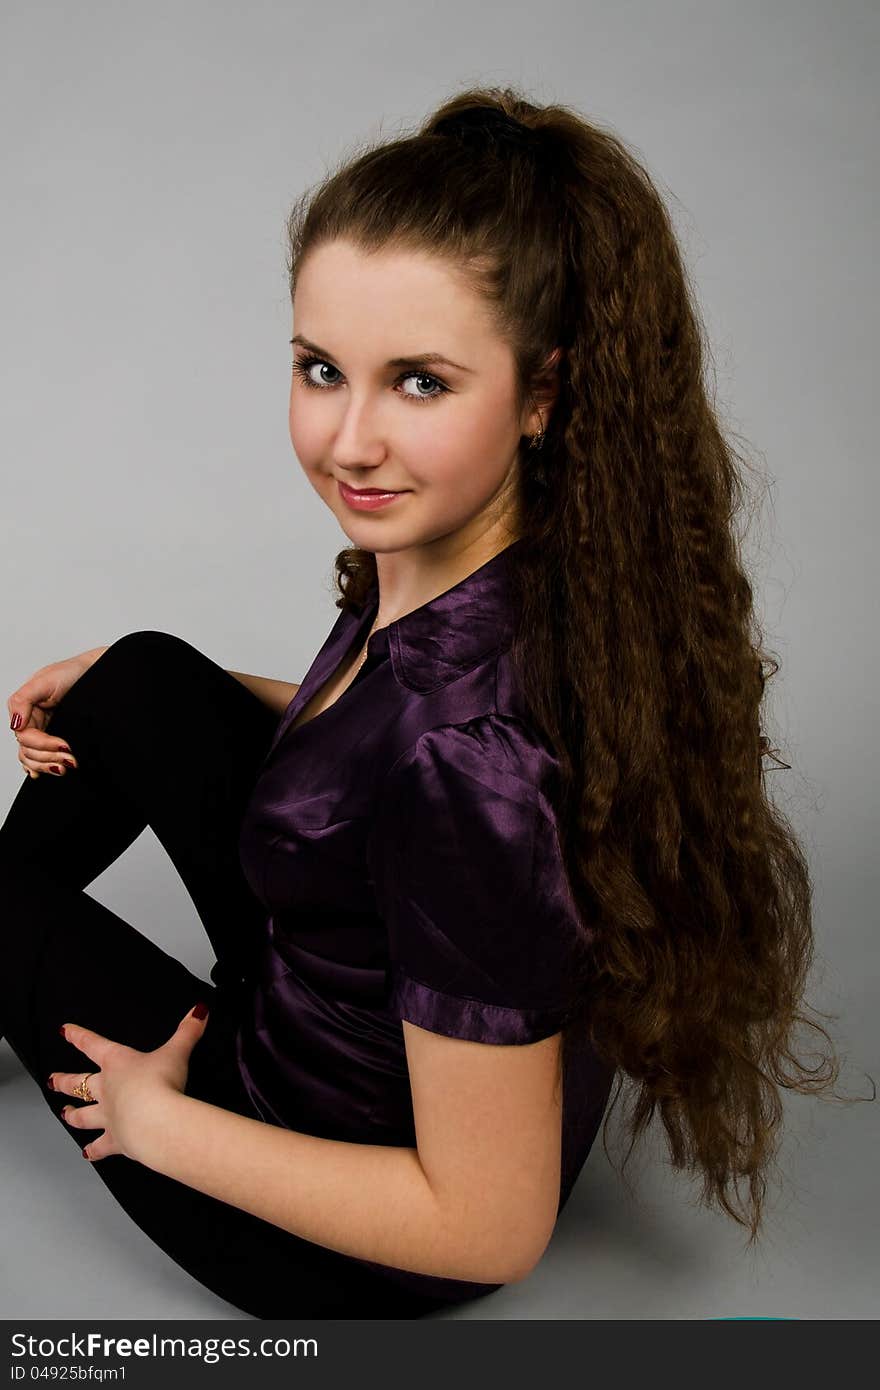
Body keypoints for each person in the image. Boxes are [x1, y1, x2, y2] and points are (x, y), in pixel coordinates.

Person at [1, 84, 849, 1321]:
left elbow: (487, 1227)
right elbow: (386, 730)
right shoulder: (502, 569)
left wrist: (159, 1123)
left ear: (544, 392)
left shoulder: (470, 764)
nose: (350, 442)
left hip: (335, 1205)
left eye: (418, 384)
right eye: (320, 368)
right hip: (361, 1020)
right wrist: (157, 687)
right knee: (140, 672)